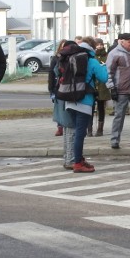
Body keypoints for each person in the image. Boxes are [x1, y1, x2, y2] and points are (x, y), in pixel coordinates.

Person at [62, 36, 109, 172]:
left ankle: (79, 158)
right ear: (92, 48)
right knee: (80, 134)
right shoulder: (92, 61)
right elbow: (104, 78)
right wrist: (104, 67)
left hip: (69, 99)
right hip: (84, 100)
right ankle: (77, 163)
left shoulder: (71, 57)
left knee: (76, 131)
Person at [49, 40, 76, 168]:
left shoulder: (59, 59)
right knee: (70, 128)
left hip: (60, 94)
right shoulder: (69, 61)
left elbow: (53, 74)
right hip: (69, 96)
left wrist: (52, 91)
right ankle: (70, 159)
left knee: (66, 128)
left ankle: (67, 157)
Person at [90, 38, 111, 137]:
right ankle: (89, 129)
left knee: (101, 107)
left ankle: (100, 129)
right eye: (97, 45)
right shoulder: (92, 56)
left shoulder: (107, 56)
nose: (99, 46)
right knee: (90, 107)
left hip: (103, 85)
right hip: (92, 84)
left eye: (101, 45)